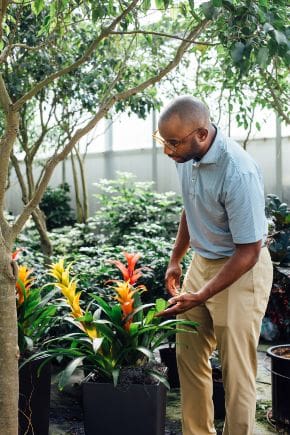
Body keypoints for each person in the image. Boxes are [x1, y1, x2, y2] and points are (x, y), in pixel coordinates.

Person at [154, 96, 273, 435]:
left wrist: (202, 293)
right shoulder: (185, 155)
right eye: (163, 141)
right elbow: (191, 208)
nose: (167, 151)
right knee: (188, 357)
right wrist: (176, 259)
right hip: (202, 263)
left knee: (236, 372)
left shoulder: (239, 171)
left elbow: (248, 251)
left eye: (173, 142)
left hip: (241, 271)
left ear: (202, 134)